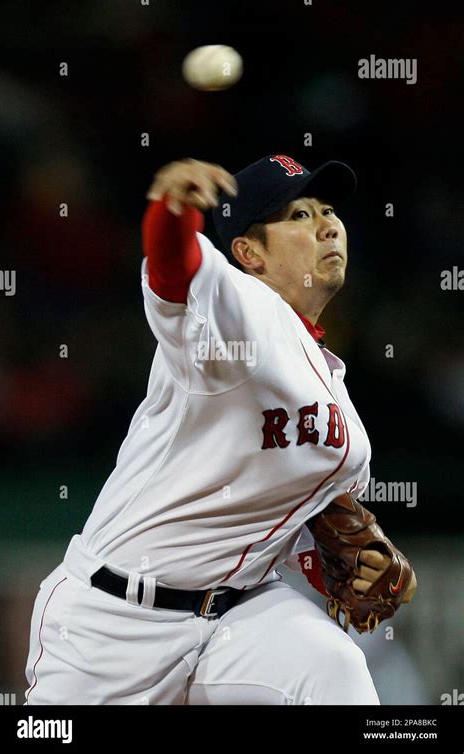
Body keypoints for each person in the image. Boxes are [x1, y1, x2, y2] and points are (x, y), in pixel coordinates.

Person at [24, 153, 416, 706]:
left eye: (328, 210)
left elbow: (307, 542)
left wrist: (348, 573)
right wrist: (171, 212)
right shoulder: (235, 313)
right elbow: (174, 271)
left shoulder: (342, 412)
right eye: (298, 216)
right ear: (248, 253)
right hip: (115, 621)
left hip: (241, 616)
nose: (329, 225)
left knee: (332, 668)